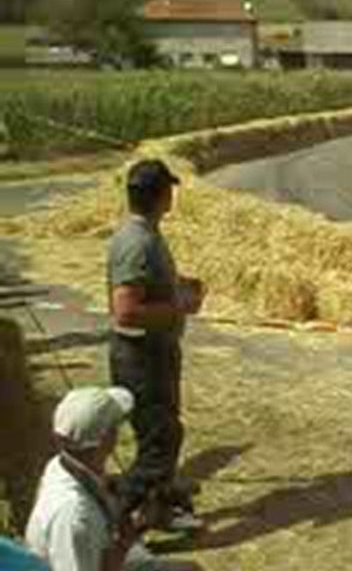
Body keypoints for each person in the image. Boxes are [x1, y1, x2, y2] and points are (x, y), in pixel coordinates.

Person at [107, 159, 205, 532]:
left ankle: (161, 507)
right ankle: (115, 525)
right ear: (163, 195)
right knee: (156, 448)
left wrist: (178, 284)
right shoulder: (137, 243)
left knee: (166, 433)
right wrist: (180, 304)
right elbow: (126, 311)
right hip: (141, 358)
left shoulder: (144, 233)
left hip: (155, 354)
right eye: (170, 189)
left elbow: (147, 288)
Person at [25, 387, 155, 571]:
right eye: (115, 426)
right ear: (105, 439)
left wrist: (121, 492)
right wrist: (126, 540)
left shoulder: (61, 463)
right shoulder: (74, 516)